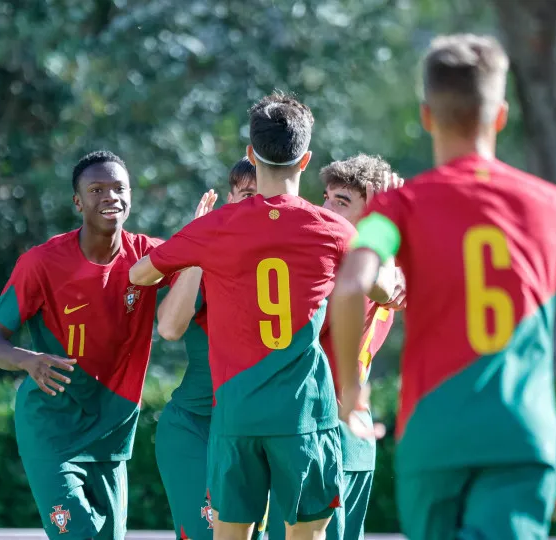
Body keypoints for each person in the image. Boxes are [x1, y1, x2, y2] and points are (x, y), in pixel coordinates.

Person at [328, 34, 556, 540]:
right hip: (519, 438)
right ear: (500, 115)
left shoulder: (395, 208)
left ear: (426, 116)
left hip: (431, 438)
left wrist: (352, 392)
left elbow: (351, 285)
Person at [129, 92, 396, 540]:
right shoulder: (333, 229)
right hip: (305, 417)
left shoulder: (215, 226)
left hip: (235, 416)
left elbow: (140, 274)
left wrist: (195, 243)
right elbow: (384, 289)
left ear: (252, 155)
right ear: (306, 160)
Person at [0, 150, 185, 540]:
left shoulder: (148, 256)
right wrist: (30, 361)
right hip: (51, 429)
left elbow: (203, 282)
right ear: (78, 202)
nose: (111, 197)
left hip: (112, 432)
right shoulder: (40, 263)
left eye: (119, 189)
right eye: (97, 190)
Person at [264, 154, 402, 540]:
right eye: (325, 197)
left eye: (341, 201)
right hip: (311, 429)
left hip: (354, 439)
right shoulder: (322, 261)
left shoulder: (385, 263)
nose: (324, 208)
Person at [153, 157, 261, 540]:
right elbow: (168, 328)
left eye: (264, 196)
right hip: (193, 429)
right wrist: (201, 243)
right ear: (229, 200)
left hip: (256, 433)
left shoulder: (291, 263)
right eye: (246, 195)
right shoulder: (206, 265)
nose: (255, 205)